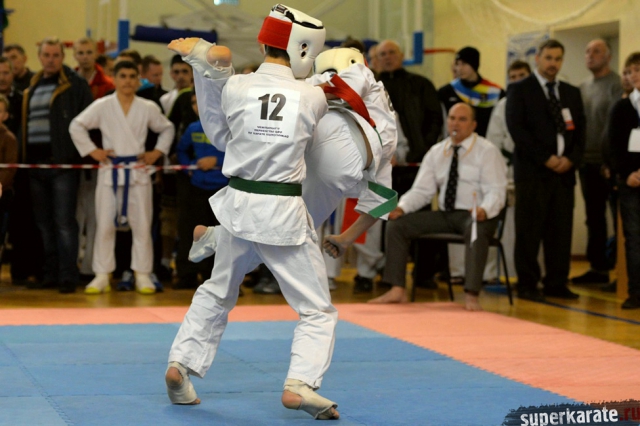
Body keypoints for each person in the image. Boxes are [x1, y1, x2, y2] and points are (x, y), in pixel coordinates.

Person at [165, 4, 339, 420]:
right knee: (317, 310)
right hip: (282, 212)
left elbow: (219, 136)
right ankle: (300, 383)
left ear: (263, 45)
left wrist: (215, 79)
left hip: (238, 205)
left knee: (218, 290)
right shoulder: (313, 96)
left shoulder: (239, 86)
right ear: (303, 49)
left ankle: (180, 365)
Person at [368, 103, 506, 310]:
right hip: (446, 215)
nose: (455, 124)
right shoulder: (436, 151)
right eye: (452, 118)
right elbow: (422, 191)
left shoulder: (487, 151)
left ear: (473, 125)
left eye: (462, 119)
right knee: (397, 225)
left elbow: (496, 190)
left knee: (475, 230)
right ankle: (397, 289)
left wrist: (484, 210)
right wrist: (402, 207)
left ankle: (471, 294)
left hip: (476, 215)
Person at [69, 60, 174, 294]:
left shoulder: (147, 107)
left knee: (142, 225)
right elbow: (76, 125)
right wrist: (93, 151)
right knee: (104, 224)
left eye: (132, 76)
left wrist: (156, 152)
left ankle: (142, 274)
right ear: (115, 79)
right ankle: (101, 275)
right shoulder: (102, 105)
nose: (127, 81)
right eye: (123, 76)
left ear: (138, 80)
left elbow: (167, 128)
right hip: (110, 170)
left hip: (138, 171)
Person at [506, 39, 586, 302]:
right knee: (529, 231)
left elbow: (581, 132)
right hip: (533, 172)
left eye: (558, 59)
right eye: (549, 58)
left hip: (564, 173)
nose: (553, 64)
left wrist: (571, 159)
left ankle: (556, 282)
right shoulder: (520, 89)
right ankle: (527, 283)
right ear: (537, 58)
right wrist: (546, 158)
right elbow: (517, 130)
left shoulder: (571, 92)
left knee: (560, 231)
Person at [22, 37, 93, 294]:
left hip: (63, 165)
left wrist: (78, 156)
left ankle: (67, 276)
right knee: (44, 224)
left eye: (55, 55)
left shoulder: (76, 84)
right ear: (39, 57)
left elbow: (88, 122)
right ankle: (50, 273)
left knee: (64, 223)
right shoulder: (32, 86)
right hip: (34, 166)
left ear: (63, 57)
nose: (50, 60)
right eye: (46, 55)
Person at [571, 39, 623, 285]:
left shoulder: (616, 85)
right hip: (586, 162)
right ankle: (598, 268)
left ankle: (623, 274)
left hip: (609, 164)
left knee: (618, 217)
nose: (590, 55)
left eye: (597, 51)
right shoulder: (582, 88)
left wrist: (611, 161)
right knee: (593, 217)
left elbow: (616, 127)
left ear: (608, 57)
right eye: (587, 51)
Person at [174, 90, 228, 289]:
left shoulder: (228, 128)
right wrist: (189, 168)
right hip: (197, 187)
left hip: (223, 189)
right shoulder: (193, 128)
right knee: (192, 232)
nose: (197, 107)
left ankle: (218, 278)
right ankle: (187, 275)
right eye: (193, 103)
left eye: (200, 102)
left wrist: (217, 160)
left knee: (222, 236)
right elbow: (181, 150)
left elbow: (241, 152)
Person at [484, 59, 532, 280]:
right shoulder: (503, 105)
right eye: (512, 77)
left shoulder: (539, 102)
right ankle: (501, 272)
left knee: (531, 224)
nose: (517, 81)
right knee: (506, 224)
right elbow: (493, 141)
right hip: (508, 169)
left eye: (522, 76)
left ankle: (529, 272)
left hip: (535, 169)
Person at [73, 37, 116, 282]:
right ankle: (73, 264)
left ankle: (90, 267)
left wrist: (96, 150)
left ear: (95, 55)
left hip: (100, 158)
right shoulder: (68, 81)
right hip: (74, 157)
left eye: (89, 52)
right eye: (80, 52)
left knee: (95, 215)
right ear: (75, 55)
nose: (84, 57)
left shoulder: (108, 85)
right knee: (75, 216)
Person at [608, 51, 640, 309]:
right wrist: (626, 174)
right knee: (634, 238)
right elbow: (614, 146)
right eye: (630, 71)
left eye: (639, 70)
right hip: (631, 182)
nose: (634, 75)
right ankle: (636, 292)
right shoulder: (622, 107)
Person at [438, 46, 505, 137]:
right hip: (456, 142)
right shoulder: (446, 92)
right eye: (457, 64)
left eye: (464, 64)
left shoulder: (495, 92)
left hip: (485, 143)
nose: (459, 68)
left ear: (474, 65)